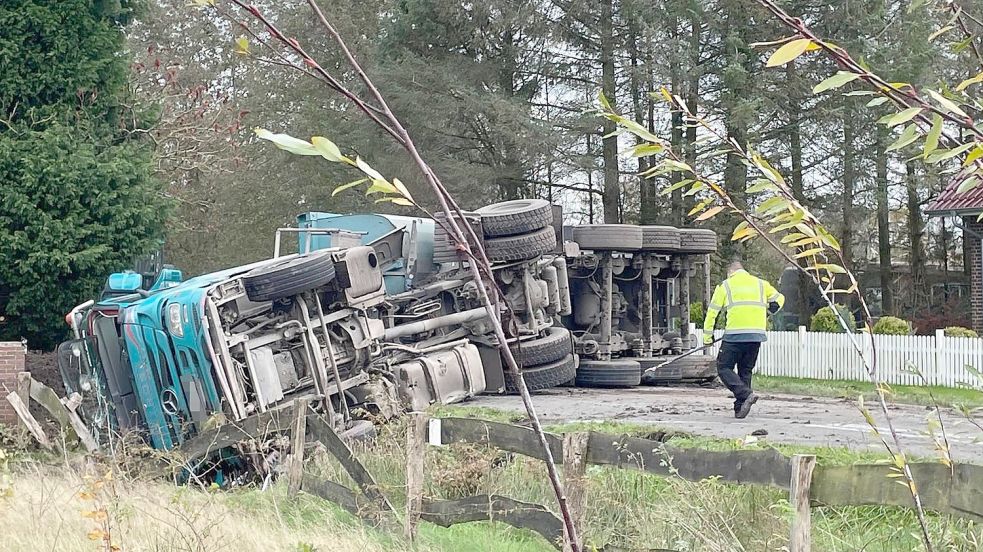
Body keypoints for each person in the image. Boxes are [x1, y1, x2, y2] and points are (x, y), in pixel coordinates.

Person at [703, 260, 784, 419]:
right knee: (745, 370)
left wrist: (708, 337)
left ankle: (745, 394)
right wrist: (768, 312)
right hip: (756, 335)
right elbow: (780, 299)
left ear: (730, 272)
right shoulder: (761, 284)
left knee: (723, 367)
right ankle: (740, 408)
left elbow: (712, 313)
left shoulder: (725, 286)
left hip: (734, 335)